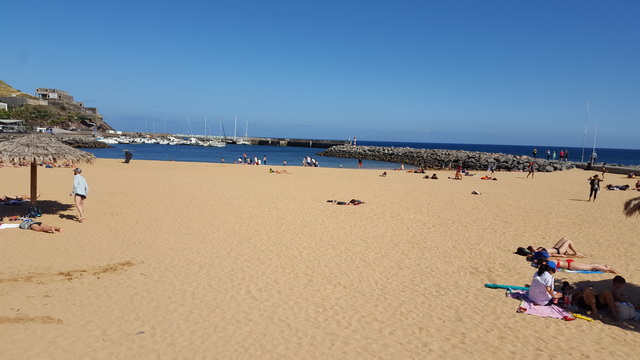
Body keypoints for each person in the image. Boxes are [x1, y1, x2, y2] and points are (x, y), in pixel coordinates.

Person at [570, 276, 637, 320]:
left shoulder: (580, 294)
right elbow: (618, 296)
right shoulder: (614, 289)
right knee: (592, 290)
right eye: (622, 284)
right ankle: (611, 313)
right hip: (591, 304)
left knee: (602, 292)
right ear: (618, 283)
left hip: (595, 303)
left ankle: (609, 313)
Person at [529, 253, 617, 273]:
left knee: (590, 268)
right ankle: (604, 266)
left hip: (570, 265)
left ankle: (608, 269)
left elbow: (554, 269)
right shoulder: (551, 258)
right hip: (569, 261)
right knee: (590, 265)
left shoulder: (551, 263)